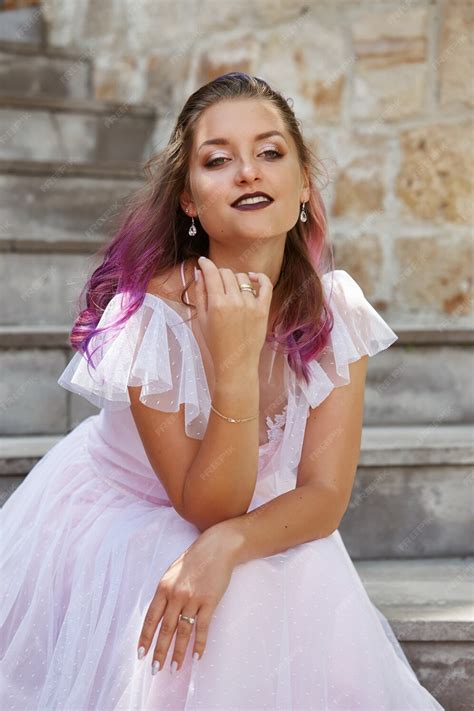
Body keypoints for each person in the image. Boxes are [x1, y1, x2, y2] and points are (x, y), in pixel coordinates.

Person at [0, 72, 444, 710]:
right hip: (141, 509)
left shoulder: (333, 309)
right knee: (231, 586)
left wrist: (231, 542)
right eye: (217, 160)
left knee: (283, 558)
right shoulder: (148, 316)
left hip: (232, 510)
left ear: (303, 188)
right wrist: (233, 363)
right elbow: (205, 506)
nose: (247, 173)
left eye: (270, 153)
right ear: (188, 200)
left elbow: (323, 495)